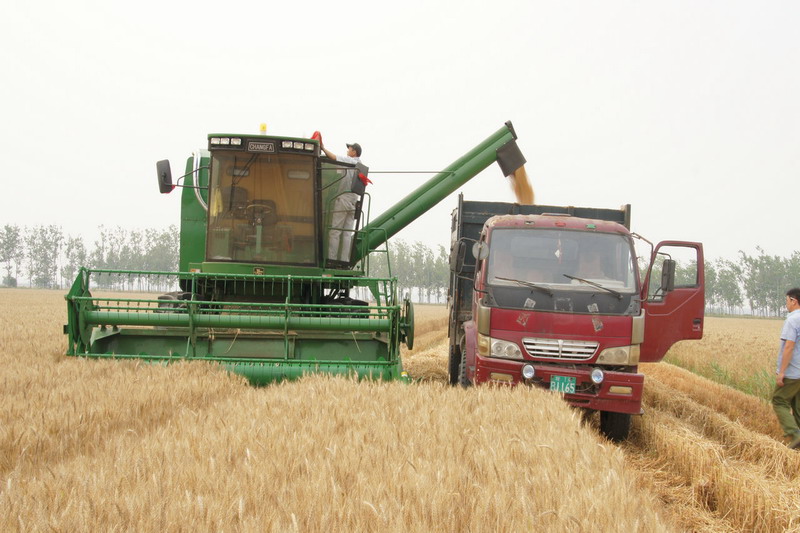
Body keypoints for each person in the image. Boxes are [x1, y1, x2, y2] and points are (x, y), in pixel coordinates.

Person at [321, 140, 362, 262]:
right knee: (347, 233)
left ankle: (332, 259)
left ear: (354, 152)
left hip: (344, 199)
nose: (347, 150)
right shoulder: (360, 166)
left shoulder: (349, 161)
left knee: (335, 231)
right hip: (354, 202)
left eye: (349, 149)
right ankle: (344, 260)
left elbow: (334, 157)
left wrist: (323, 148)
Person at [772, 287, 800, 449]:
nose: (786, 304)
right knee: (797, 406)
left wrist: (781, 372)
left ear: (793, 301)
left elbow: (789, 346)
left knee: (779, 400)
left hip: (793, 371)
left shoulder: (792, 320)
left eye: (787, 301)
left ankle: (795, 434)